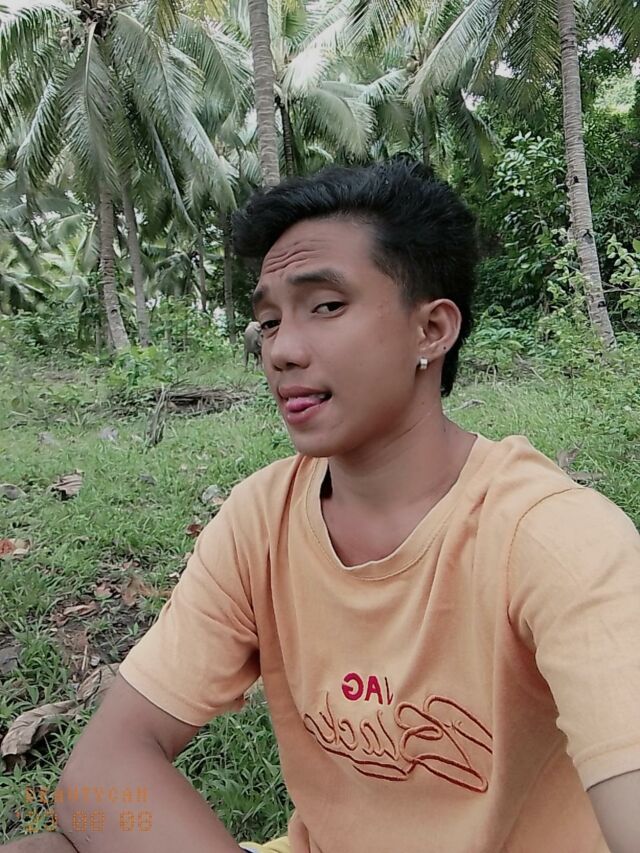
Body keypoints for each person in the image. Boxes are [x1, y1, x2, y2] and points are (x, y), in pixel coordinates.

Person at [4, 158, 640, 853]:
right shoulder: (261, 520)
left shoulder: (554, 539)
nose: (281, 349)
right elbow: (99, 776)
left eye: (326, 306)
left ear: (432, 329)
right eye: (269, 320)